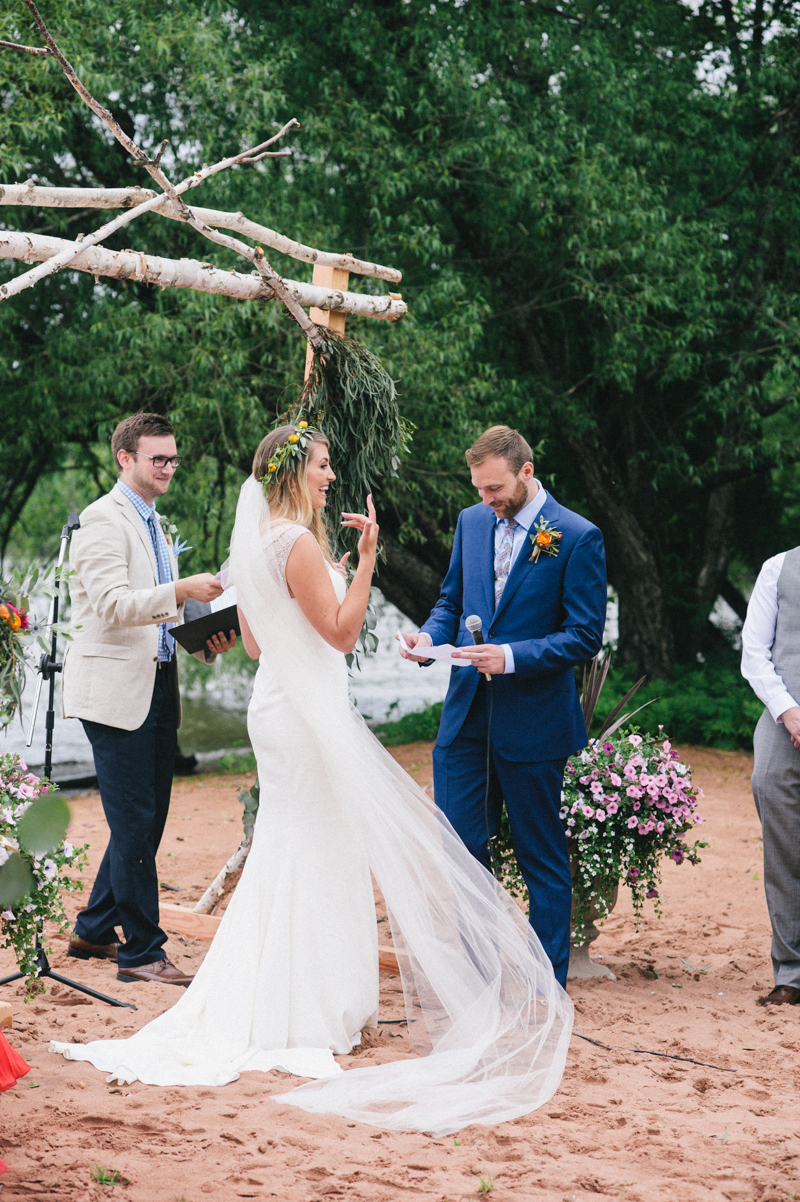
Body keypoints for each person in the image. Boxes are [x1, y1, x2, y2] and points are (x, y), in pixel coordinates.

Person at [50, 423, 572, 1136]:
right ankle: (313, 1006)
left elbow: (260, 641)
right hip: (302, 715)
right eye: (324, 465)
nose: (332, 476)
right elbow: (342, 634)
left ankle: (302, 997)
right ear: (296, 472)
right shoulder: (295, 544)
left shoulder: (266, 543)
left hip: (282, 708)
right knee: (315, 847)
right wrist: (365, 562)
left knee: (298, 847)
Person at [399, 425, 607, 987]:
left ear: (526, 473)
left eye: (495, 489)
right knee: (462, 849)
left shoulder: (577, 535)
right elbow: (451, 600)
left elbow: (585, 635)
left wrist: (512, 656)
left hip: (534, 719)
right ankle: (479, 974)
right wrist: (427, 638)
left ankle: (546, 985)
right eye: (480, 489)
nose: (486, 501)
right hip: (466, 715)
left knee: (541, 853)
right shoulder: (472, 522)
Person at [62, 412, 236, 988]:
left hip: (159, 682)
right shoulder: (100, 520)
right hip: (114, 692)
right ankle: (141, 951)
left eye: (172, 458)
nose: (167, 467)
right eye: (156, 458)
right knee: (135, 819)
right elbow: (113, 605)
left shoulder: (156, 524)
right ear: (125, 458)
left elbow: (159, 613)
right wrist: (182, 590)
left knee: (146, 816)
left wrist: (203, 636)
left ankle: (93, 928)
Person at [742, 548, 800, 1007]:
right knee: (783, 846)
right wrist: (788, 710)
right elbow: (755, 654)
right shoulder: (779, 568)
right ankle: (792, 971)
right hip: (787, 718)